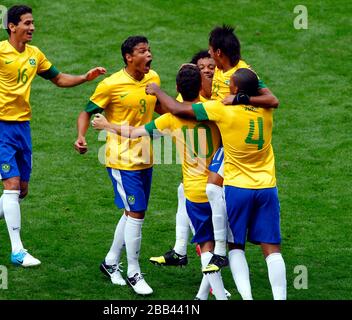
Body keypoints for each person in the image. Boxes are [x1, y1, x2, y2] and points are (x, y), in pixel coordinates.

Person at [0, 5, 106, 268]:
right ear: (12, 26)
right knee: (11, 186)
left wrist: (85, 77)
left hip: (23, 127)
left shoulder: (35, 54)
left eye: (33, 23)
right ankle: (18, 250)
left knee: (21, 191)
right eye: (26, 23)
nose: (32, 28)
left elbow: (58, 79)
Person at [145, 67, 287, 300]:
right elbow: (270, 96)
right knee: (272, 250)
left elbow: (176, 108)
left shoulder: (222, 110)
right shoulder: (266, 109)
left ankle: (247, 298)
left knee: (235, 248)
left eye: (230, 83)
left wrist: (157, 90)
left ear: (236, 89)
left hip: (237, 189)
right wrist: (245, 94)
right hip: (267, 187)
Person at [92, 64, 228, 300]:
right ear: (201, 87)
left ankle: (217, 295)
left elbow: (133, 133)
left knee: (206, 246)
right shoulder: (214, 110)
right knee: (223, 246)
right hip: (223, 187)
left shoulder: (168, 119)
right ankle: (205, 295)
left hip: (194, 192)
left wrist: (106, 126)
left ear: (177, 88)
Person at [74, 35, 164, 295]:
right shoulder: (110, 84)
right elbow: (86, 112)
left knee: (132, 212)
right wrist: (81, 137)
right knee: (137, 213)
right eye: (142, 51)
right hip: (121, 160)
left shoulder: (153, 79)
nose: (149, 55)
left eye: (149, 50)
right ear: (129, 57)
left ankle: (111, 262)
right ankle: (134, 272)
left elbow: (158, 108)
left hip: (145, 157)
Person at [149, 50, 216, 268]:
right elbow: (170, 112)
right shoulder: (189, 97)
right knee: (183, 192)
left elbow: (172, 111)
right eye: (201, 67)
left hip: (219, 172)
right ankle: (180, 251)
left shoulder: (218, 99)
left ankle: (214, 278)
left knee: (220, 240)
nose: (207, 70)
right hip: (199, 172)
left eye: (211, 66)